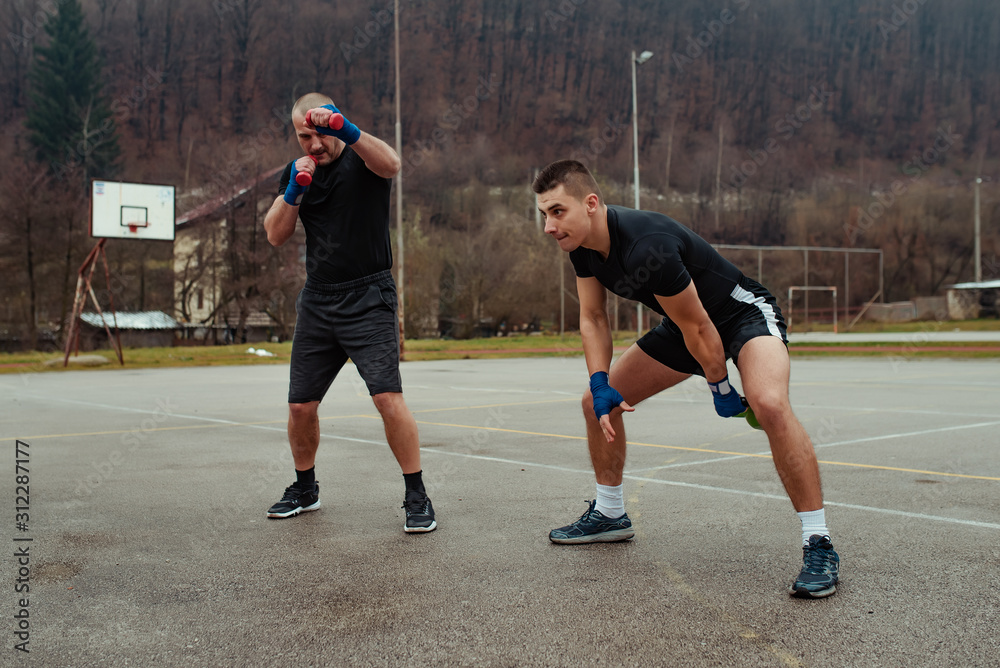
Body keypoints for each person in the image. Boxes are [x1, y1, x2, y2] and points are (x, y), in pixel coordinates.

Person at [532, 159, 839, 598]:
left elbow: (702, 328)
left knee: (769, 404)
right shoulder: (580, 246)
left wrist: (720, 386)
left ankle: (818, 542)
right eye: (544, 214)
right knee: (593, 403)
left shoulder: (646, 245)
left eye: (557, 211)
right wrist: (600, 383)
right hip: (686, 326)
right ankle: (610, 513)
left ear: (591, 204)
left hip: (741, 315)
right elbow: (593, 317)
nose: (549, 226)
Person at [262, 92, 436, 533]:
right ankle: (306, 489)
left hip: (369, 295)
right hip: (318, 300)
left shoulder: (363, 157)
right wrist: (294, 190)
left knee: (387, 398)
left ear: (335, 123)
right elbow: (275, 234)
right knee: (300, 405)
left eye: (320, 134)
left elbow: (393, 164)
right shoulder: (296, 170)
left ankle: (417, 495)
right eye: (305, 136)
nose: (314, 144)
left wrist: (347, 129)